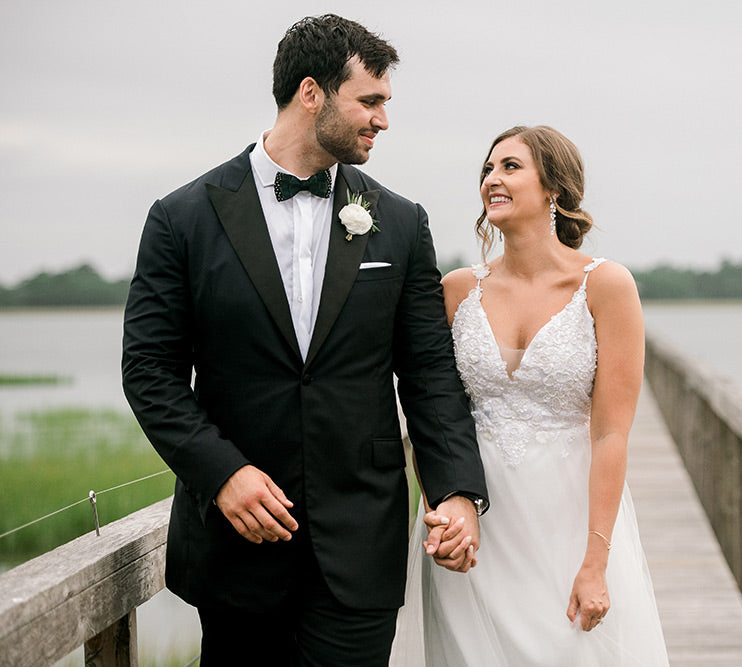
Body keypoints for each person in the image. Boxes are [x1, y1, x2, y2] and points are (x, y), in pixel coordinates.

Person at [121, 15, 487, 666]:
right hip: (239, 546)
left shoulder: (400, 223)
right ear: (311, 92)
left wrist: (456, 488)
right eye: (369, 100)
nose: (382, 119)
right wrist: (222, 473)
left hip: (361, 539)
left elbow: (429, 372)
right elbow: (150, 371)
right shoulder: (182, 219)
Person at [391, 126, 669, 665]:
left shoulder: (606, 286)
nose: (492, 179)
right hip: (477, 516)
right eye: (487, 170)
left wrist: (595, 559)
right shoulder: (455, 290)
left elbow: (611, 432)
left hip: (566, 521)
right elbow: (430, 409)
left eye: (510, 167)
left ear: (554, 189)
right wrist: (441, 505)